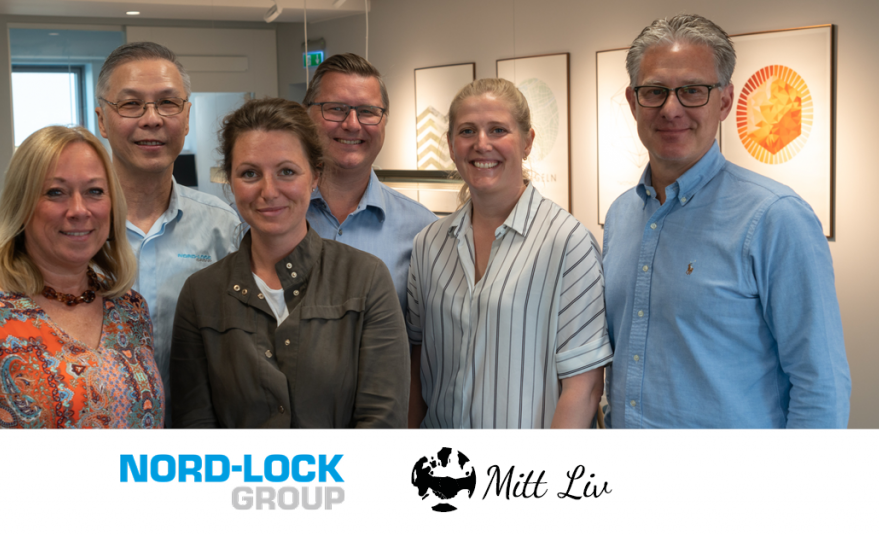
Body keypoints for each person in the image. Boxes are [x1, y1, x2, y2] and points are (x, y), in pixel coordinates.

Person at [603, 14, 851, 428]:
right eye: (655, 91)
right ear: (633, 102)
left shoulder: (776, 218)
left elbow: (821, 386)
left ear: (724, 101)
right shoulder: (621, 215)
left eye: (692, 91)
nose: (671, 109)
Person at [170, 97, 409, 428]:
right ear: (230, 181)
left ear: (315, 176)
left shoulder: (366, 279)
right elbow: (195, 426)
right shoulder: (201, 294)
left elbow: (382, 423)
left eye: (286, 171)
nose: (269, 191)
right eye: (250, 173)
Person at [0, 126, 163, 428]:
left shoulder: (130, 309)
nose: (79, 210)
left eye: (94, 191)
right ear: (21, 205)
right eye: (55, 192)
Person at [406, 78, 612, 429]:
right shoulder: (428, 244)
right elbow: (415, 365)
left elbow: (584, 388)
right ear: (451, 146)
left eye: (498, 130)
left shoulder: (567, 242)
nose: (481, 143)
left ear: (527, 141)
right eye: (467, 131)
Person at [95, 42, 242, 424]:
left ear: (187, 117)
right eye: (131, 104)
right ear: (101, 120)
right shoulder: (74, 226)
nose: (152, 119)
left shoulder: (222, 227)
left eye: (167, 103)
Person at [302, 53, 437, 313]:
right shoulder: (266, 217)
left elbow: (422, 333)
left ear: (384, 121)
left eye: (367, 111)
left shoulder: (422, 230)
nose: (352, 124)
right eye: (336, 108)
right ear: (306, 114)